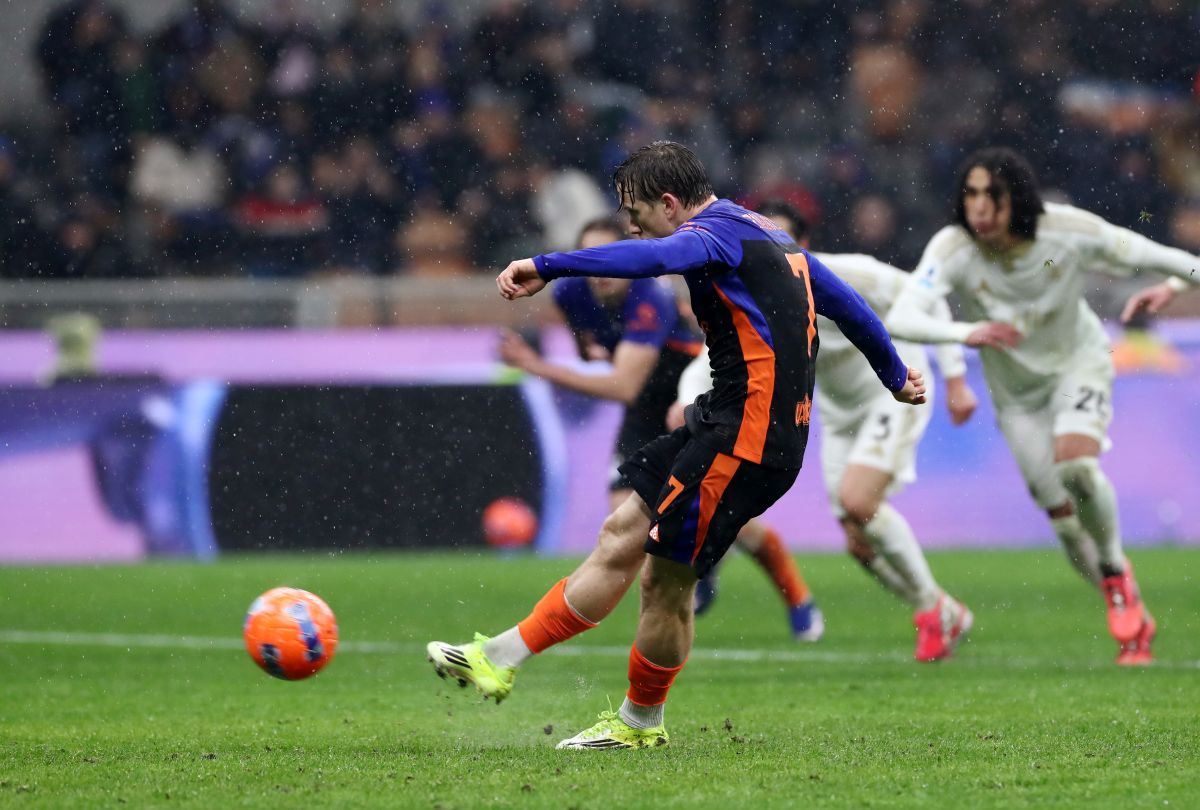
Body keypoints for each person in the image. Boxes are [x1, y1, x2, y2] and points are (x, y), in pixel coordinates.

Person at [427, 141, 925, 749]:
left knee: (664, 584)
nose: (632, 227)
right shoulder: (765, 232)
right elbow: (847, 304)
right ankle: (497, 658)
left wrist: (547, 264)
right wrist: (895, 374)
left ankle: (638, 724)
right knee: (619, 535)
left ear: (669, 204)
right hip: (723, 425)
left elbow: (650, 258)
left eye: (636, 215)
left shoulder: (713, 235)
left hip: (746, 441)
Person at [885, 146, 1200, 666]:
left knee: (1077, 465)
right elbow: (901, 315)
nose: (980, 209)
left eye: (993, 196)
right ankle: (1122, 603)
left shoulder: (1069, 232)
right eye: (971, 195)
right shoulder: (953, 247)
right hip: (1017, 397)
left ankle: (1118, 573)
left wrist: (1169, 286)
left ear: (1020, 199)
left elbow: (1177, 260)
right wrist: (967, 332)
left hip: (1079, 363)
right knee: (1064, 521)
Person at [671, 200, 976, 661]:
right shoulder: (751, 291)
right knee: (858, 537)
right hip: (838, 416)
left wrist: (954, 378)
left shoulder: (853, 273)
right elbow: (710, 358)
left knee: (858, 501)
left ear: (803, 246)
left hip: (893, 391)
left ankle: (933, 609)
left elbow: (926, 298)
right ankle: (941, 608)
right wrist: (685, 398)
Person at [499, 216, 825, 641]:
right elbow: (597, 350)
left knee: (731, 520)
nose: (599, 274)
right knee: (624, 522)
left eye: (606, 261)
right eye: (590, 261)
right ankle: (675, 586)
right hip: (642, 410)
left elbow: (622, 384)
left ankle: (797, 598)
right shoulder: (570, 293)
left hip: (689, 399)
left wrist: (535, 366)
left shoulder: (649, 296)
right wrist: (599, 352)